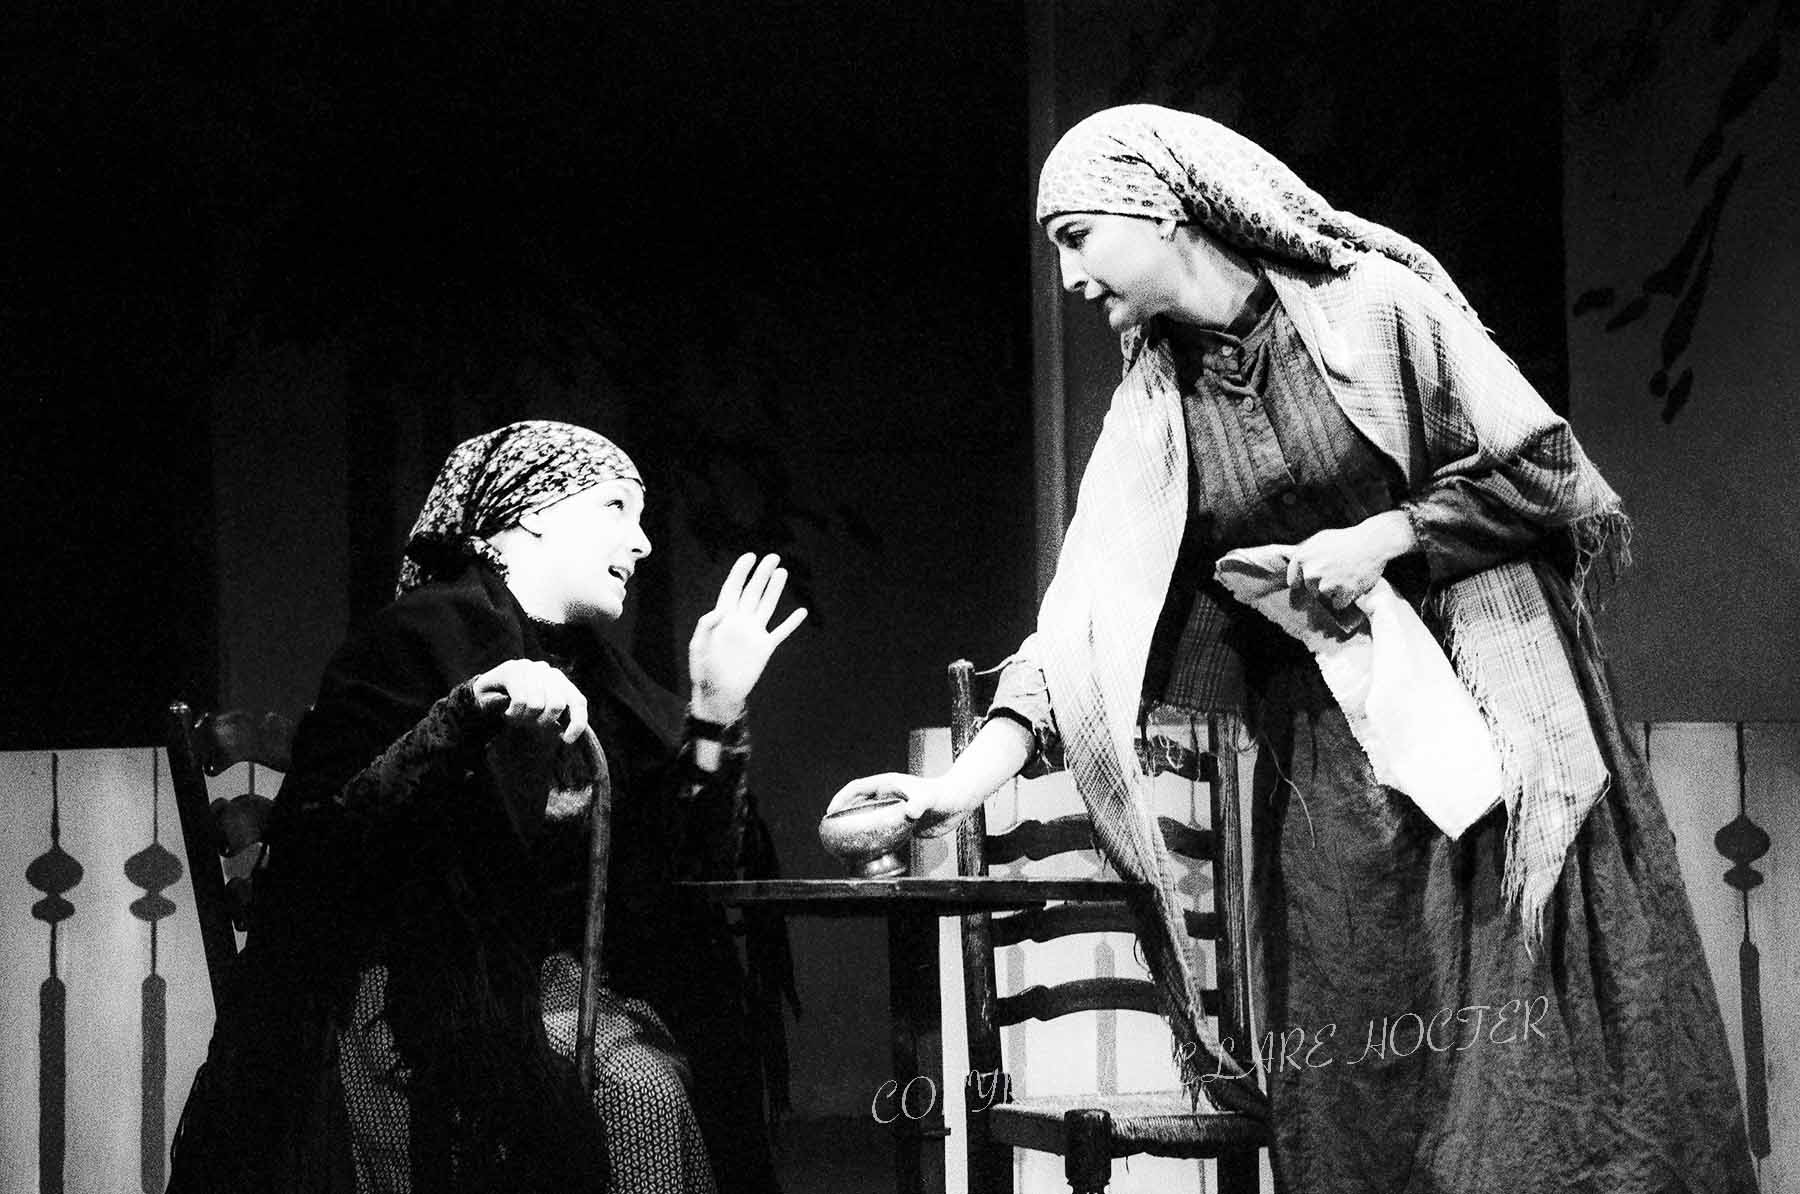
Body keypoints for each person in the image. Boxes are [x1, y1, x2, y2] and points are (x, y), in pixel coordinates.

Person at [830, 105, 1758, 1193]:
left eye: (1078, 238)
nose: (1069, 279)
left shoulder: (1372, 308)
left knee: (1543, 1082)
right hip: (1334, 787)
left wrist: (1389, 536)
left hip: (1498, 733)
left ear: (1161, 209)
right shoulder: (1156, 411)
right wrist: (953, 793)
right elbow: (1080, 638)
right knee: (1367, 1089)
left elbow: (1546, 470)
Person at [169, 419, 805, 1194]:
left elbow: (679, 873)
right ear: (532, 512)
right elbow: (323, 850)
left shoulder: (602, 680)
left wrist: (714, 707)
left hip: (548, 987)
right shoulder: (416, 639)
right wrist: (466, 712)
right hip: (404, 991)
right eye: (614, 507)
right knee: (639, 1092)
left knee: (667, 1071)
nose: (641, 543)